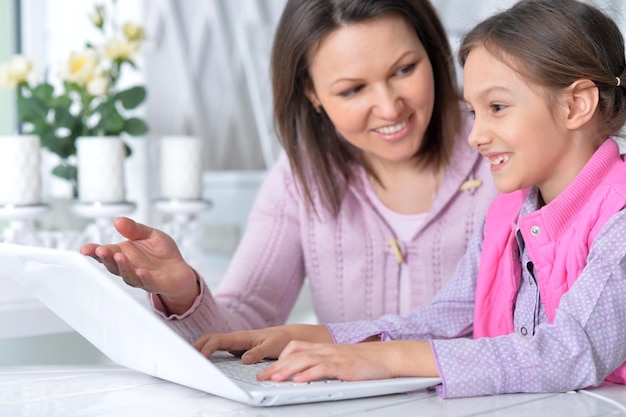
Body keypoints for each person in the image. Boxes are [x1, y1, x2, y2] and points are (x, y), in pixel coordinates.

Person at [193, 0, 626, 399]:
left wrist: (385, 359)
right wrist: (319, 338)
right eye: (474, 112)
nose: (475, 135)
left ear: (576, 105)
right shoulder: (507, 214)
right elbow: (441, 320)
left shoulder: (620, 215)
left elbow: (572, 351)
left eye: (496, 107)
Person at [80, 0, 497, 342]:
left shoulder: (501, 149)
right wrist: (183, 292)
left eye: (405, 70)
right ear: (311, 93)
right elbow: (244, 323)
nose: (390, 107)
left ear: (433, 54)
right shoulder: (301, 176)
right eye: (353, 90)